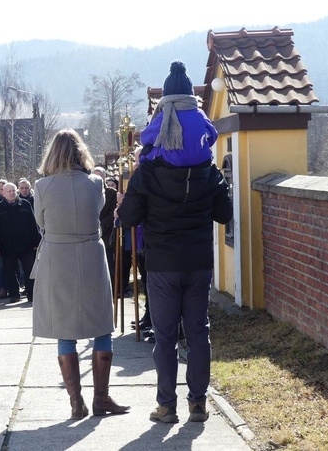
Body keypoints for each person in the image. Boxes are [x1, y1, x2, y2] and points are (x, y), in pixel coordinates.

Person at [117, 60, 233, 422]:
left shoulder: (149, 168)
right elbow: (224, 214)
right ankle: (198, 403)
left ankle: (166, 406)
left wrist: (126, 204)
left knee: (165, 337)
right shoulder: (208, 168)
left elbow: (130, 218)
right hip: (198, 261)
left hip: (163, 264)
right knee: (198, 333)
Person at [32, 130, 129, 420]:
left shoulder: (41, 186)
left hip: (56, 257)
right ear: (80, 152)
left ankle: (76, 402)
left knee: (64, 328)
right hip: (90, 254)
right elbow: (98, 210)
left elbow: (40, 220)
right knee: (101, 324)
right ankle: (101, 398)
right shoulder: (96, 183)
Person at [140, 60, 218, 168]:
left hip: (169, 167)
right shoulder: (200, 114)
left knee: (145, 154)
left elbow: (145, 138)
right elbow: (213, 135)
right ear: (190, 93)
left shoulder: (163, 117)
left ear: (166, 95)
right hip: (201, 167)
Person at [0, 182, 40, 303]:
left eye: (13, 191)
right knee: (10, 272)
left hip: (26, 245)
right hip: (7, 246)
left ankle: (31, 294)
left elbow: (33, 225)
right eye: (9, 191)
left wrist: (36, 242)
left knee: (29, 270)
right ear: (3, 193)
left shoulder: (25, 205)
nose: (12, 193)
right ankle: (14, 294)